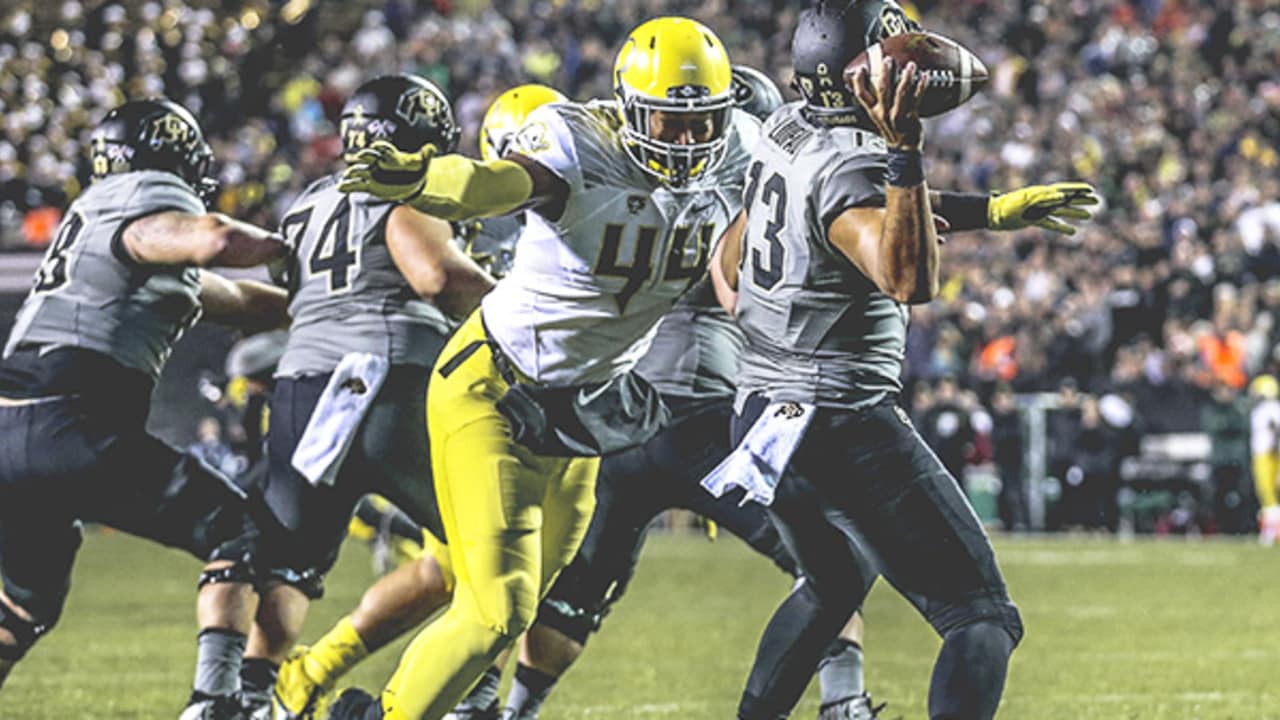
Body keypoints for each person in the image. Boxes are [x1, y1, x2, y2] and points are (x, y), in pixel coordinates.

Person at [329, 16, 757, 720]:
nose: (686, 140)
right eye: (667, 120)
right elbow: (492, 182)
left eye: (700, 122)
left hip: (585, 411)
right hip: (494, 389)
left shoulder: (740, 150)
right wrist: (423, 178)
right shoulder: (580, 144)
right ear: (627, 104)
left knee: (512, 608)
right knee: (498, 611)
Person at [706, 2, 1096, 718]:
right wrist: (905, 147)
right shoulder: (858, 164)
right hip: (838, 420)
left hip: (761, 414)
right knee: (980, 617)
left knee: (832, 583)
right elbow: (907, 277)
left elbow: (729, 258)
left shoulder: (787, 128)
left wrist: (991, 210)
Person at [203, 73, 494, 720]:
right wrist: (517, 305)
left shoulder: (306, 202)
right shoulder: (407, 184)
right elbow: (436, 276)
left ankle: (256, 697)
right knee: (493, 550)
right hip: (392, 383)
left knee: (290, 563)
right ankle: (474, 695)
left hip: (304, 389)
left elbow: (301, 294)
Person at [0, 98, 289, 714]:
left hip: (8, 427)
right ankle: (215, 703)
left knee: (24, 608)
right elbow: (212, 241)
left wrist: (321, 294)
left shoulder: (99, 225)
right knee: (237, 531)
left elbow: (235, 295)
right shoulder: (144, 204)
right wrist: (287, 245)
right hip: (70, 420)